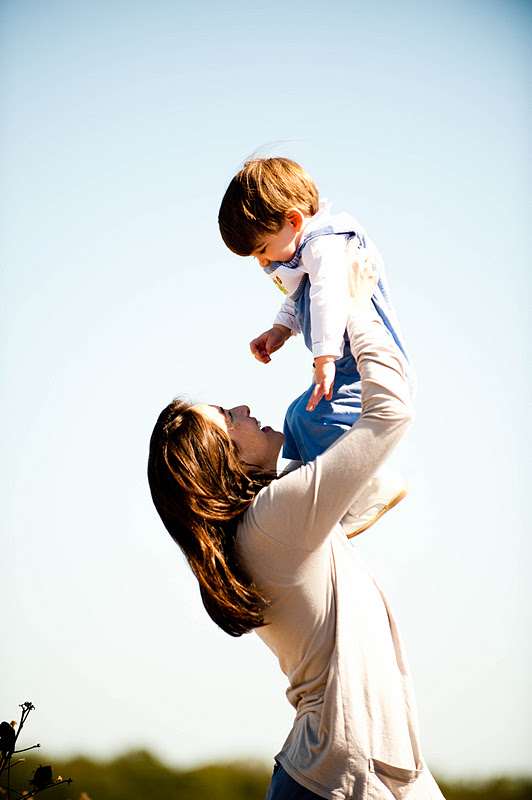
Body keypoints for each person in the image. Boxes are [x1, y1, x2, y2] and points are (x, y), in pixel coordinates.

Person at [147, 246, 445, 799]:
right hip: (340, 778)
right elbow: (390, 412)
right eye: (229, 418)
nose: (243, 408)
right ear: (223, 462)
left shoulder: (261, 529)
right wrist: (355, 308)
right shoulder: (275, 519)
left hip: (364, 772)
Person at [218, 157, 417, 537]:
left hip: (358, 363)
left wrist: (324, 355)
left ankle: (372, 485)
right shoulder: (305, 249)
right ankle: (306, 483)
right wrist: (280, 329)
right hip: (341, 363)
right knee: (297, 416)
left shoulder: (326, 244)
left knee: (316, 418)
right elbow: (300, 296)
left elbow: (328, 296)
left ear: (293, 221)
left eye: (262, 249)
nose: (262, 262)